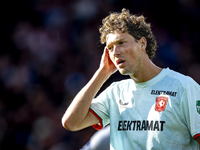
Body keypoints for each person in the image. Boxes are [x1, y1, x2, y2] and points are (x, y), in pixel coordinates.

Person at [62, 8, 200, 150]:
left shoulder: (184, 86)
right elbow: (71, 123)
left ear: (142, 44)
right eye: (110, 48)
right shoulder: (115, 92)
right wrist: (102, 73)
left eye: (121, 43)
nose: (115, 52)